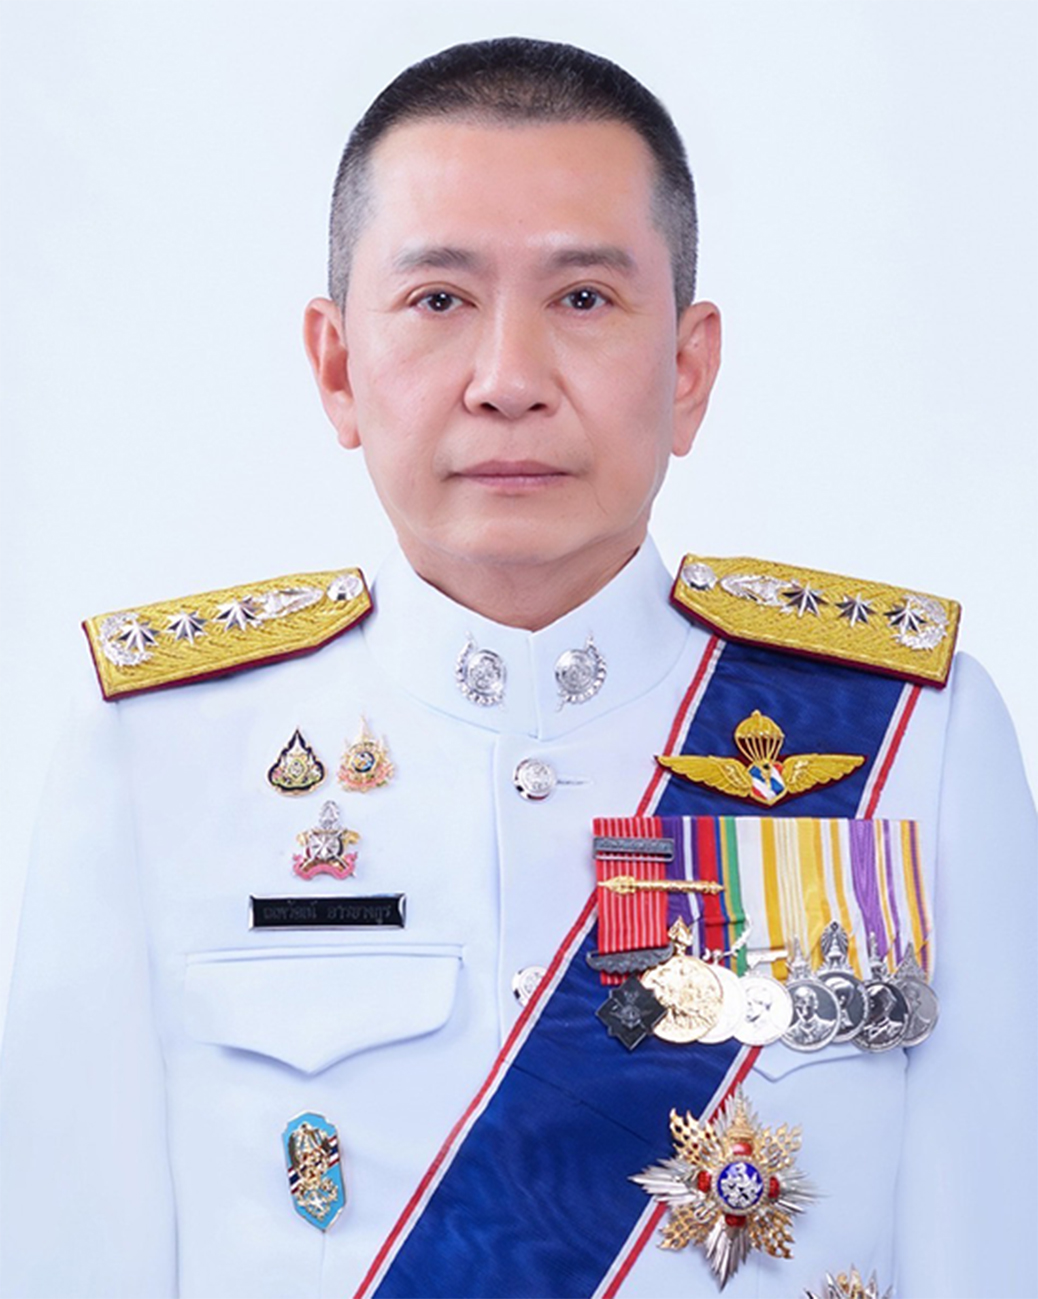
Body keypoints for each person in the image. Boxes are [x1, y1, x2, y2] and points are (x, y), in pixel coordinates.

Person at [1, 36, 1035, 1299]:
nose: (507, 381)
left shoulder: (910, 741)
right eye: (439, 301)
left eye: (584, 300)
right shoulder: (155, 752)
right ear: (337, 367)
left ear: (688, 369)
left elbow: (993, 1251)